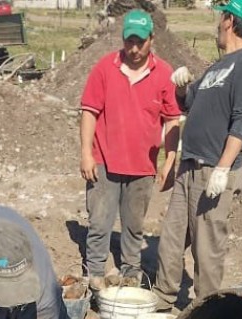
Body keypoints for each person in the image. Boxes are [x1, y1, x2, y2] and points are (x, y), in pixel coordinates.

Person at [153, 0, 242, 308]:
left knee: (207, 249)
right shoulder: (219, 66)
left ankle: (206, 313)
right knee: (171, 239)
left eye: (222, 17)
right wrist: (181, 87)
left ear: (230, 21)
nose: (218, 24)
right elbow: (187, 103)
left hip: (213, 170)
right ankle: (162, 299)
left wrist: (222, 169)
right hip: (189, 166)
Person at [79, 9, 181, 290]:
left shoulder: (164, 74)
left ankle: (130, 272)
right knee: (99, 221)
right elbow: (89, 112)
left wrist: (170, 161)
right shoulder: (105, 68)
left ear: (151, 39)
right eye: (129, 42)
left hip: (142, 166)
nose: (134, 49)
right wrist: (86, 153)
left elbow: (172, 120)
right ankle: (95, 271)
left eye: (140, 42)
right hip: (104, 160)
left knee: (134, 225)